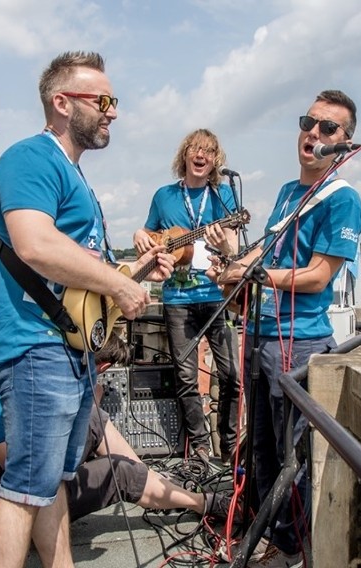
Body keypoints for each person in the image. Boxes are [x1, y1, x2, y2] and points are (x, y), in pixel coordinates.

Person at [0, 51, 174, 568]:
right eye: (104, 100)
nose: (113, 111)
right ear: (61, 102)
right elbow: (34, 244)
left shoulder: (71, 175)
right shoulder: (31, 158)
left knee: (52, 485)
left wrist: (133, 273)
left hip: (67, 352)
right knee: (25, 490)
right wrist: (118, 281)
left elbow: (78, 279)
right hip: (35, 347)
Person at [210, 90, 361, 568]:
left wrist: (250, 274)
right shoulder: (287, 193)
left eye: (327, 128)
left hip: (299, 342)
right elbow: (267, 253)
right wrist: (234, 263)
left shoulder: (342, 200)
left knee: (291, 458)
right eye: (308, 122)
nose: (313, 133)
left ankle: (297, 551)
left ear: (345, 142)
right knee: (260, 449)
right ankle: (272, 536)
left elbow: (318, 275)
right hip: (260, 335)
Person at [0, 315, 230, 525]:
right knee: (118, 472)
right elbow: (22, 470)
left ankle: (154, 482)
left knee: (94, 419)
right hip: (28, 502)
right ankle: (203, 503)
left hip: (27, 482)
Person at [132, 129, 241, 466]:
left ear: (215, 161)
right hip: (177, 297)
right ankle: (200, 446)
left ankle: (230, 444)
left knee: (231, 374)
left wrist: (222, 241)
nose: (201, 155)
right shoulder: (164, 196)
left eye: (208, 151)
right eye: (195, 149)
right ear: (184, 155)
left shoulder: (223, 197)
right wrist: (140, 235)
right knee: (186, 377)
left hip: (214, 294)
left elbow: (235, 247)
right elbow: (149, 234)